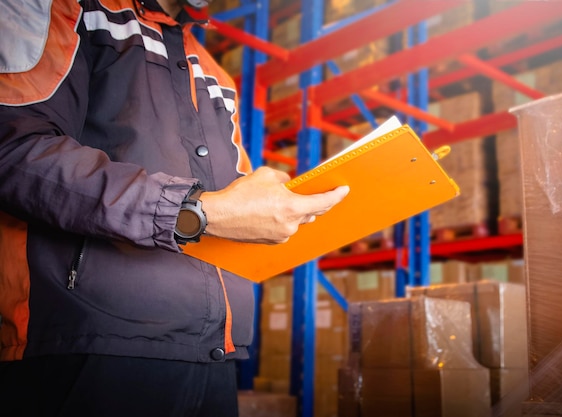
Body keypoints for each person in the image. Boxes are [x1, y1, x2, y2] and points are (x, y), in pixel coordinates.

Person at [0, 0, 349, 415]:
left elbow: (231, 204)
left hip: (213, 352)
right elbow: (16, 149)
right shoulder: (64, 9)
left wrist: (276, 213)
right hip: (91, 345)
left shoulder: (213, 72)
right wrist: (199, 211)